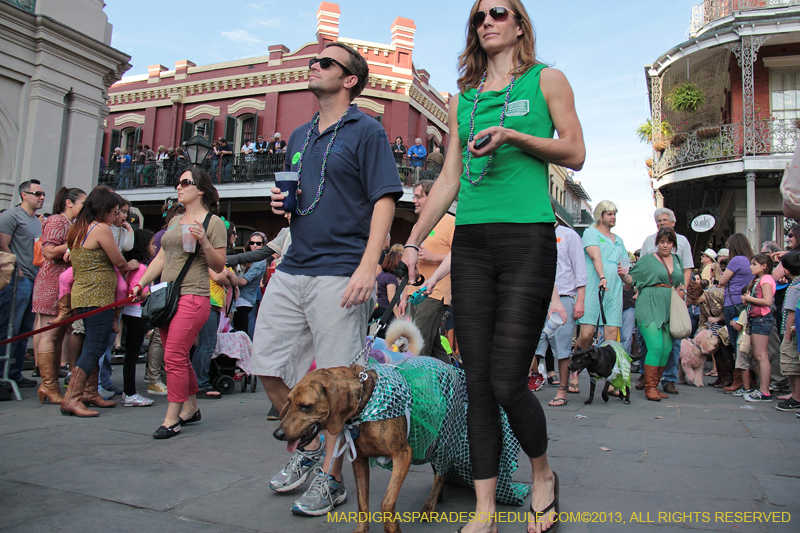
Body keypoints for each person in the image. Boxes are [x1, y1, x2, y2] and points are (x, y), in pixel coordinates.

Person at [400, 2, 585, 530]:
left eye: (498, 12)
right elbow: (450, 179)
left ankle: (542, 474)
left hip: (528, 240)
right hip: (474, 244)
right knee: (477, 381)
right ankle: (483, 507)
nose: (487, 21)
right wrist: (413, 239)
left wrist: (514, 137)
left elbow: (575, 152)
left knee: (507, 381)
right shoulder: (465, 99)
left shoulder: (546, 80)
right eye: (479, 16)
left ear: (519, 23)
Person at [254, 42, 402, 516]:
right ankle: (310, 448)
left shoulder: (368, 130)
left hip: (341, 270)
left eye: (326, 63)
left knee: (338, 389)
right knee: (267, 365)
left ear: (349, 79)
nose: (313, 66)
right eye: (313, 61)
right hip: (294, 264)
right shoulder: (300, 135)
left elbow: (384, 199)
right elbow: (304, 196)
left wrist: (368, 265)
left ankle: (332, 479)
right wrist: (284, 206)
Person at [132, 167, 227, 438]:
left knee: (172, 354)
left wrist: (204, 242)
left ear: (200, 189)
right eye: (178, 182)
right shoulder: (175, 221)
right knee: (179, 356)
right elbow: (161, 257)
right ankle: (191, 407)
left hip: (194, 295)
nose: (178, 186)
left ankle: (171, 418)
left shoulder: (213, 223)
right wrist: (141, 284)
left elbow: (219, 264)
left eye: (185, 182)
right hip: (167, 296)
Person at [60, 187, 139, 417]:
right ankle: (72, 398)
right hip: (97, 297)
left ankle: (90, 392)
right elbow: (119, 261)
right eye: (114, 211)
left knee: (92, 344)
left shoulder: (77, 227)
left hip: (84, 294)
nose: (116, 216)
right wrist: (130, 266)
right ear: (103, 209)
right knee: (95, 346)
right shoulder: (100, 228)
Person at [31, 187, 86, 404]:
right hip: (51, 281)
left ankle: (51, 383)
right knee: (49, 334)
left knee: (59, 334)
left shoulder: (72, 223)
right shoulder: (56, 221)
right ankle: (48, 385)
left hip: (64, 283)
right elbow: (49, 252)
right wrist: (75, 243)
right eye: (82, 203)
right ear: (69, 203)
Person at [619, 227, 685, 401]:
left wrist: (682, 290)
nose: (665, 245)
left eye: (668, 242)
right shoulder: (648, 260)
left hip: (669, 306)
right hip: (649, 303)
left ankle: (655, 385)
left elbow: (681, 282)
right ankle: (649, 387)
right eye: (662, 242)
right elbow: (632, 280)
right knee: (655, 346)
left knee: (667, 349)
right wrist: (623, 275)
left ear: (673, 244)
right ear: (657, 243)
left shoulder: (677, 260)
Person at [571, 201, 626, 394]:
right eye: (609, 213)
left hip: (614, 289)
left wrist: (626, 277)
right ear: (600, 215)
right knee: (586, 334)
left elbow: (625, 269)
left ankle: (611, 382)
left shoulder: (618, 239)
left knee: (611, 336)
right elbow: (595, 257)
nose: (613, 217)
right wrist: (603, 277)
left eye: (614, 213)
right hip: (595, 285)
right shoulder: (591, 233)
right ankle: (574, 374)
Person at [399, 180, 455, 362]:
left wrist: (433, 257)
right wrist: (403, 296)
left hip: (435, 292)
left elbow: (461, 255)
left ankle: (421, 387)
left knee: (418, 344)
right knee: (432, 344)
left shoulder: (450, 222)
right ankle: (452, 383)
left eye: (418, 197)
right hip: (415, 292)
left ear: (432, 198)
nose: (414, 200)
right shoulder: (418, 226)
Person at [640, 208, 693, 395]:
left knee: (672, 340)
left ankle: (668, 379)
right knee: (649, 342)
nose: (662, 223)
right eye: (659, 221)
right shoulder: (649, 240)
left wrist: (683, 290)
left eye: (665, 220)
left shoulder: (683, 242)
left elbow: (687, 268)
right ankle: (647, 379)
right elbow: (642, 269)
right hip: (651, 299)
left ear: (673, 221)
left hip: (673, 297)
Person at [535, 220, 586, 407]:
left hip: (564, 297)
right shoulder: (533, 233)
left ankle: (562, 391)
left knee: (562, 348)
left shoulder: (569, 235)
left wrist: (580, 301)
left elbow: (580, 270)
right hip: (536, 297)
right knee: (529, 344)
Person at [0, 179, 45, 388]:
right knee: (10, 326)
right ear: (24, 195)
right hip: (18, 280)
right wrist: (15, 271)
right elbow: (3, 246)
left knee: (24, 329)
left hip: (33, 278)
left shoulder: (36, 220)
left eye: (42, 194)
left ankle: (15, 372)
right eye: (37, 193)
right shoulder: (10, 216)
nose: (41, 197)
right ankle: (2, 374)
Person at [120, 228, 156, 407]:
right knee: (132, 355)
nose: (155, 247)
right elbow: (136, 292)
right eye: (152, 243)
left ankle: (129, 391)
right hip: (135, 313)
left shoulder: (135, 266)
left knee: (131, 354)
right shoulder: (141, 268)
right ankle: (129, 393)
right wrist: (152, 294)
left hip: (130, 312)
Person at [719, 234, 755, 393]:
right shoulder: (751, 260)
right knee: (745, 341)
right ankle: (750, 377)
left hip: (732, 302)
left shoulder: (736, 260)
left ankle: (738, 379)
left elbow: (722, 281)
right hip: (745, 302)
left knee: (734, 342)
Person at [741, 254, 777, 402]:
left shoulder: (766, 279)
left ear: (764, 266)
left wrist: (749, 299)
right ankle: (764, 387)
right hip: (756, 319)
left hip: (762, 319)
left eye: (754, 264)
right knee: (758, 355)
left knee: (761, 356)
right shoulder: (759, 280)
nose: (751, 267)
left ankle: (765, 390)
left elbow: (767, 301)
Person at [685, 280, 734, 388]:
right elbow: (703, 320)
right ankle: (721, 377)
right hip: (717, 329)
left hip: (727, 326)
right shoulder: (702, 304)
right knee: (715, 350)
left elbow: (730, 309)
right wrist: (698, 337)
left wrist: (719, 318)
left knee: (724, 350)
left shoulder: (715, 293)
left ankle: (728, 377)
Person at [233, 232, 267, 337]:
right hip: (239, 300)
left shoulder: (259, 261)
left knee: (242, 335)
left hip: (244, 301)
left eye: (258, 243)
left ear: (263, 245)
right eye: (252, 242)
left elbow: (243, 281)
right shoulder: (250, 258)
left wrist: (228, 279)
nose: (254, 245)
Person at [779, 252, 800, 411]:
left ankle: (796, 397)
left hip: (791, 333)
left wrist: (786, 337)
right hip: (794, 331)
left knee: (791, 365)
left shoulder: (794, 287)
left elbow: (791, 313)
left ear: (786, 271)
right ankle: (794, 394)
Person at [374, 251, 401, 333]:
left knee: (380, 332)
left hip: (379, 307)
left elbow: (377, 291)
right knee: (386, 334)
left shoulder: (381, 274)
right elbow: (391, 298)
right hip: (386, 310)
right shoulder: (391, 278)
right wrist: (398, 316)